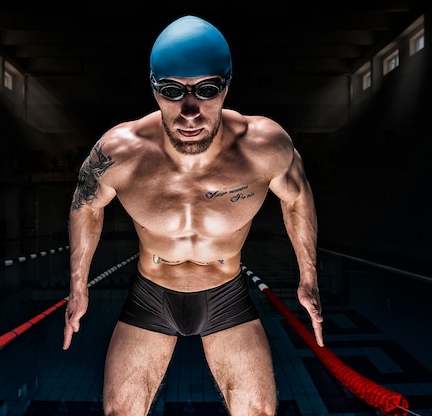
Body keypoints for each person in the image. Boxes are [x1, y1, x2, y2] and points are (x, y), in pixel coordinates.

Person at [62, 15, 324, 416]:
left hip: (227, 294)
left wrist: (309, 278)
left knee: (258, 411)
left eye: (205, 90)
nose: (189, 111)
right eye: (171, 91)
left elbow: (296, 197)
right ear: (153, 88)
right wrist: (78, 286)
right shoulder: (119, 151)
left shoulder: (264, 145)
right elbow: (86, 205)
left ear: (226, 85)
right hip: (151, 295)